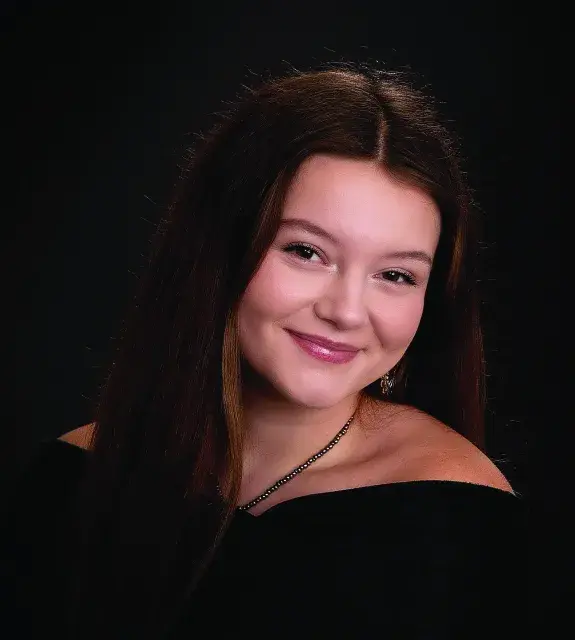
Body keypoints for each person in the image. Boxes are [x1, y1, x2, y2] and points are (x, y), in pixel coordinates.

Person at [2, 61, 526, 638]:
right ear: (219, 248)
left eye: (396, 275)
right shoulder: (70, 480)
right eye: (306, 252)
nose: (347, 312)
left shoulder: (453, 519)